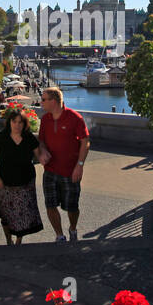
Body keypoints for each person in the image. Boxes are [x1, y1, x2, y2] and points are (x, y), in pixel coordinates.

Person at [37, 87, 89, 242]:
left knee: (72, 207)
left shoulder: (74, 118)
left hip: (70, 171)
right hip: (50, 171)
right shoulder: (45, 119)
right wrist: (42, 151)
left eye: (44, 99)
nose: (41, 102)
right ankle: (59, 235)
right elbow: (41, 140)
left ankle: (73, 228)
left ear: (54, 101)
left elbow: (85, 142)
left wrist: (79, 165)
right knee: (50, 205)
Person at [0, 107, 43, 245]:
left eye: (20, 122)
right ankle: (8, 239)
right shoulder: (1, 137)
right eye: (14, 122)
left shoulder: (29, 137)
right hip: (4, 181)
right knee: (6, 213)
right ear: (9, 122)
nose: (17, 125)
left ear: (24, 124)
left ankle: (19, 239)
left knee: (22, 212)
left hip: (26, 181)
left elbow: (40, 156)